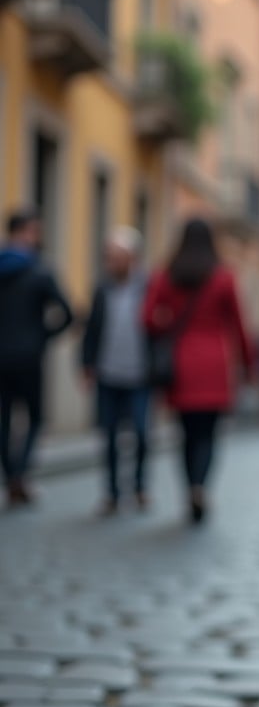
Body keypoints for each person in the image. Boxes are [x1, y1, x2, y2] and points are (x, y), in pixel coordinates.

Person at [143, 218, 253, 524]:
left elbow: (148, 318)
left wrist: (167, 322)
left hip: (181, 364)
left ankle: (189, 487)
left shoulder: (166, 275)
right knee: (209, 434)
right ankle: (201, 487)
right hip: (215, 364)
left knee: (186, 433)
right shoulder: (224, 277)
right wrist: (249, 365)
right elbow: (239, 326)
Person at [0, 210, 73, 508]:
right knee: (35, 417)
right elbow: (66, 313)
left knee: (3, 419)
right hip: (30, 356)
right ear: (28, 232)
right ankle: (20, 474)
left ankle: (11, 477)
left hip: (1, 356)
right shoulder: (40, 270)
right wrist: (43, 336)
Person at [81, 227, 152, 515]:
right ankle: (111, 493)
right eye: (108, 256)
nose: (110, 262)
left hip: (139, 374)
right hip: (107, 373)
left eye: (116, 257)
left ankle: (138, 488)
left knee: (141, 433)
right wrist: (86, 364)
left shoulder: (148, 288)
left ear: (132, 258)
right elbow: (92, 328)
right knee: (108, 435)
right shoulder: (101, 288)